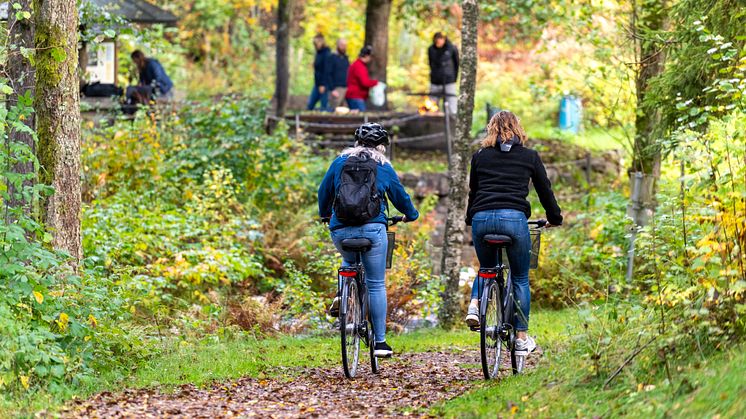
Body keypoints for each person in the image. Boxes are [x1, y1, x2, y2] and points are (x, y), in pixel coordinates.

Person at [464, 111, 563, 355]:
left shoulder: (479, 156)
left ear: (491, 129)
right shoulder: (529, 156)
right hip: (514, 220)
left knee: (487, 269)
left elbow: (473, 192)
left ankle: (475, 304)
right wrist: (554, 219)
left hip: (482, 218)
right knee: (519, 278)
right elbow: (545, 191)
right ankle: (521, 339)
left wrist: (471, 218)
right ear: (517, 128)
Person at [318, 123, 419, 357]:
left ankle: (343, 292)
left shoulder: (339, 163)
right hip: (373, 230)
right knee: (375, 283)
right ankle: (380, 343)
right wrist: (410, 215)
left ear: (356, 142)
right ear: (382, 146)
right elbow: (400, 197)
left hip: (341, 229)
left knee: (348, 259)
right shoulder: (383, 166)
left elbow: (323, 192)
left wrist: (325, 215)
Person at [428, 32, 459, 112]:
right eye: (437, 40)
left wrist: (453, 78)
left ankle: (452, 122)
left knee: (451, 105)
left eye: (441, 39)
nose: (439, 41)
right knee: (432, 106)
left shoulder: (452, 48)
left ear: (444, 39)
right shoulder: (431, 49)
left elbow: (457, 64)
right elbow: (431, 63)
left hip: (449, 81)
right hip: (435, 82)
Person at [345, 46, 378, 112]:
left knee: (357, 119)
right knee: (361, 119)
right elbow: (365, 82)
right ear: (366, 56)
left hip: (354, 96)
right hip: (356, 97)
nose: (371, 59)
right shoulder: (359, 66)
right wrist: (376, 83)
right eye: (370, 56)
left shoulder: (357, 64)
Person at [307, 34, 332, 111]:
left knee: (324, 107)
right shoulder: (318, 53)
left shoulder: (326, 53)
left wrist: (322, 84)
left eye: (317, 42)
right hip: (317, 83)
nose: (316, 45)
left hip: (323, 84)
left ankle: (326, 121)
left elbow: (326, 70)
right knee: (310, 105)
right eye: (314, 43)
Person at [327, 39, 350, 110]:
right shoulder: (332, 57)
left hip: (346, 89)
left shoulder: (346, 58)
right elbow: (328, 74)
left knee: (345, 112)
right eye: (342, 45)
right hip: (336, 89)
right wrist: (332, 89)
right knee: (333, 110)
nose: (344, 47)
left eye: (345, 45)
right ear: (338, 45)